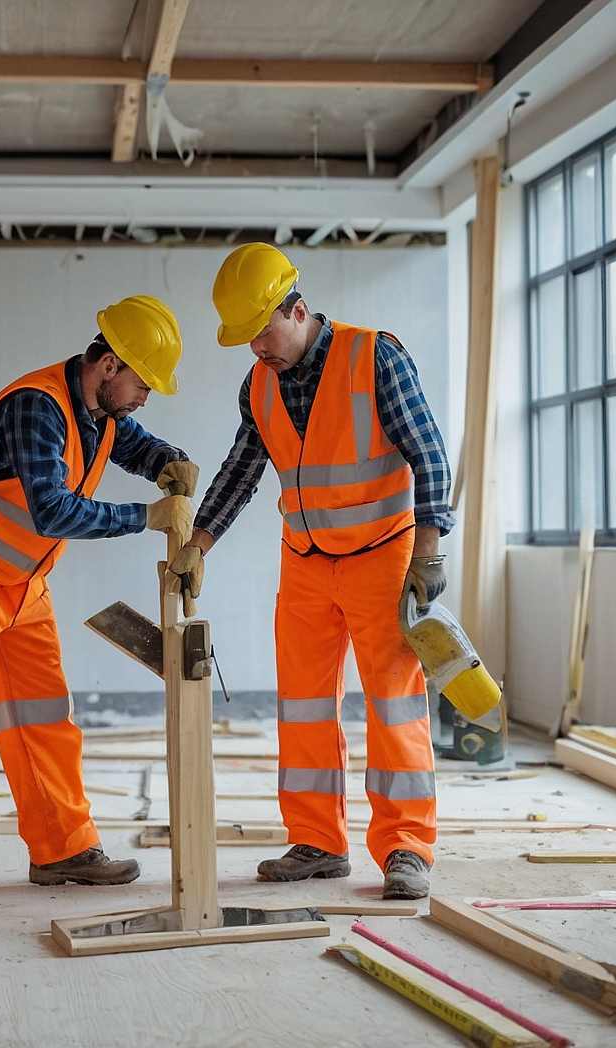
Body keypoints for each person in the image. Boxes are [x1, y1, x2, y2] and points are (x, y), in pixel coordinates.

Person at [0, 295, 200, 910]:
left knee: (43, 719)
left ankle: (62, 849)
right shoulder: (37, 407)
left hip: (22, 584)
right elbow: (53, 509)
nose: (146, 397)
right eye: (144, 382)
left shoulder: (99, 411)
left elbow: (133, 444)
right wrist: (148, 515)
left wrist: (170, 462)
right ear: (110, 366)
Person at [170, 244, 452, 899]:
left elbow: (430, 455)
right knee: (301, 710)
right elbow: (243, 469)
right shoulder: (260, 383)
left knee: (394, 706)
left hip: (383, 560)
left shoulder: (375, 357)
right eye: (245, 341)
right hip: (302, 563)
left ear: (297, 310)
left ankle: (407, 846)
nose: (257, 350)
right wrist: (199, 544)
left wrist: (429, 551)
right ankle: (318, 841)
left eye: (263, 333)